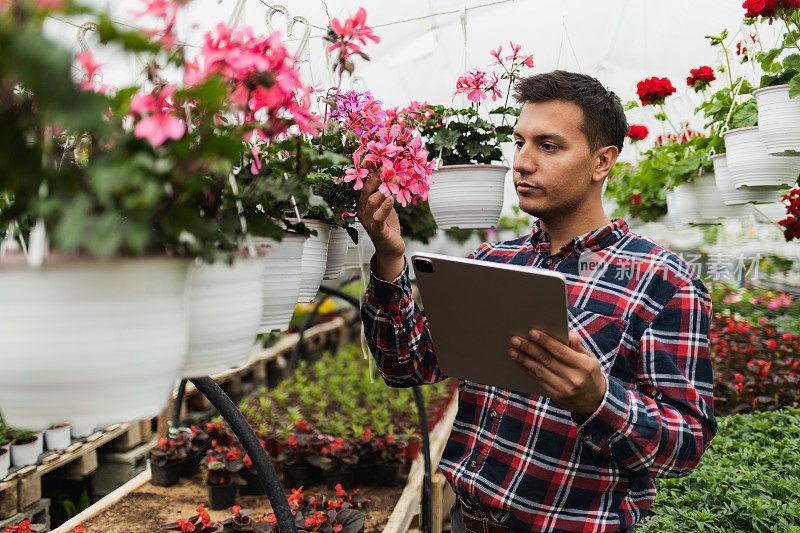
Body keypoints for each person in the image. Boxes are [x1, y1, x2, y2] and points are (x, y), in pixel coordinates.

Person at [356, 70, 716, 533]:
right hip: (464, 521)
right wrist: (390, 260)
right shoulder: (494, 260)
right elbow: (405, 365)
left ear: (601, 161)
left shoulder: (663, 282)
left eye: (548, 146)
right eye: (519, 142)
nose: (521, 163)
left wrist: (599, 400)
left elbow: (685, 446)